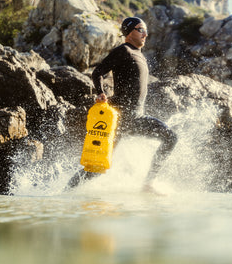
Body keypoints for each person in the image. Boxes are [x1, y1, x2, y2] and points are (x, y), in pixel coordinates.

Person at [69, 17, 178, 193]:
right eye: (141, 29)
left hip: (136, 117)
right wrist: (101, 93)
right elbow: (98, 72)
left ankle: (147, 184)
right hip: (122, 117)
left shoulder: (138, 54)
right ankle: (65, 192)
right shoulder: (123, 51)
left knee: (170, 138)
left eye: (145, 30)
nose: (145, 34)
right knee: (99, 167)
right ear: (129, 32)